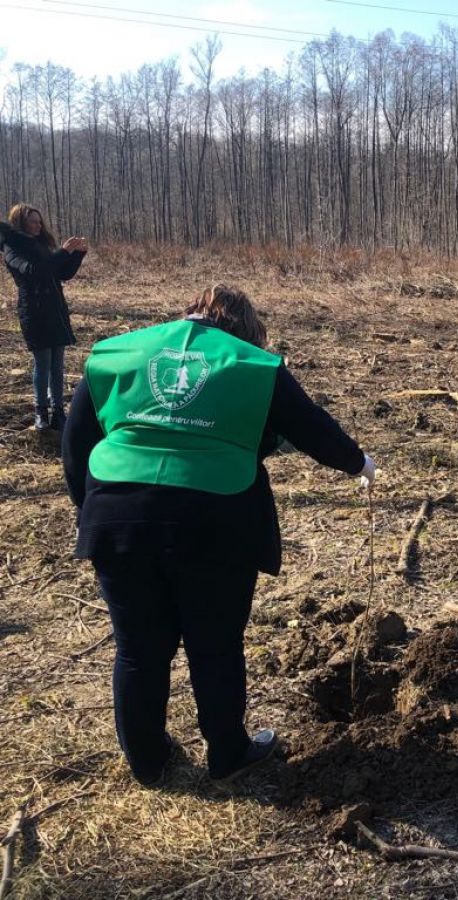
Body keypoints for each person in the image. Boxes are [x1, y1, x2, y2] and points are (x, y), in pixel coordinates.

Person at [62, 285, 377, 785]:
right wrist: (358, 463)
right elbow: (310, 426)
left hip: (117, 521)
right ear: (246, 327)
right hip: (214, 523)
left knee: (138, 650)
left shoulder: (119, 352)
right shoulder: (252, 364)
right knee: (215, 647)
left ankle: (147, 762)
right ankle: (228, 754)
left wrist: (96, 511)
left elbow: (77, 445)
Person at [0, 204, 88, 431]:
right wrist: (63, 252)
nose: (39, 226)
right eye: (33, 222)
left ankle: (57, 411)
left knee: (58, 365)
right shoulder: (11, 249)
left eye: (40, 222)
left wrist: (77, 255)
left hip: (55, 309)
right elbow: (33, 272)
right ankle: (41, 412)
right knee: (43, 363)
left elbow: (61, 273)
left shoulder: (41, 246)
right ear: (21, 223)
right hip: (35, 312)